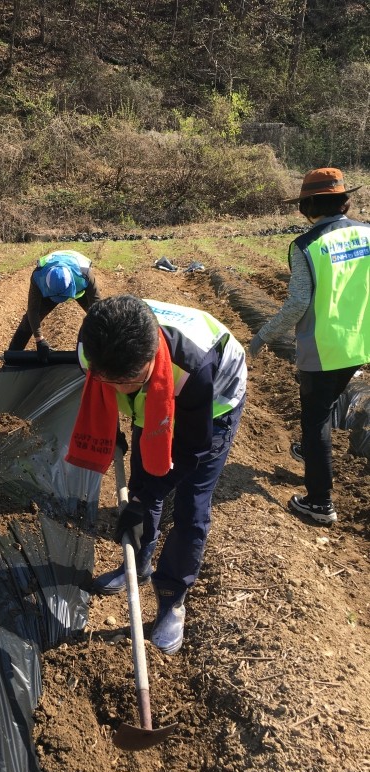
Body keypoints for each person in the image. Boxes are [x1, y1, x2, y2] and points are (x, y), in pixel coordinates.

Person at [66, 295, 247, 655]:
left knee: (191, 506)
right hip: (155, 400)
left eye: (129, 381)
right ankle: (138, 564)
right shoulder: (94, 347)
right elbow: (100, 393)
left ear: (149, 360)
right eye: (112, 381)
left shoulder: (192, 366)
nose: (120, 390)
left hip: (213, 403)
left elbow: (192, 450)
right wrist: (111, 432)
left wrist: (148, 497)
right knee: (141, 482)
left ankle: (172, 598)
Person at [248, 167, 369, 525]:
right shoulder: (367, 233)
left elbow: (297, 304)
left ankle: (320, 503)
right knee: (327, 404)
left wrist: (262, 336)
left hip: (322, 347)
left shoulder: (305, 246)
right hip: (359, 342)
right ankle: (314, 453)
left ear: (309, 205)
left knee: (315, 417)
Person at [7, 249, 101, 361]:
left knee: (98, 317)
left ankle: (106, 351)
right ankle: (13, 356)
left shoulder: (84, 274)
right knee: (28, 321)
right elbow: (33, 310)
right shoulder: (38, 276)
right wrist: (39, 339)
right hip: (50, 291)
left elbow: (98, 307)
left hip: (79, 289)